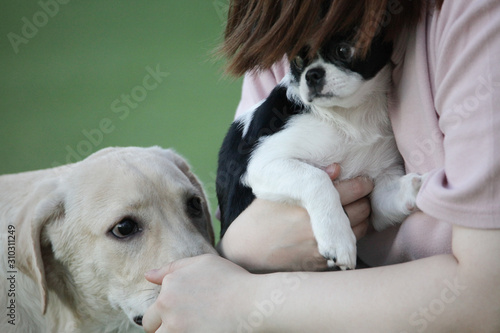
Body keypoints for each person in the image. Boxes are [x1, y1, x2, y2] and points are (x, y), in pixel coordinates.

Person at [143, 0, 500, 331]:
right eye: (299, 63)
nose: (311, 72)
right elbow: (258, 177)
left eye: (343, 52)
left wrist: (238, 297)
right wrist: (243, 247)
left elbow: (487, 293)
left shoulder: (471, 19)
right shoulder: (283, 33)